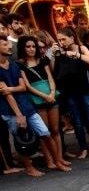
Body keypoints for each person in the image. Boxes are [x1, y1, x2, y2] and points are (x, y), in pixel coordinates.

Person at [0, 37, 59, 176]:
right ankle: (29, 168)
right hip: (10, 110)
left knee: (45, 133)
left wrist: (11, 89)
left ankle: (58, 161)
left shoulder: (13, 64)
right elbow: (6, 94)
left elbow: (21, 87)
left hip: (26, 106)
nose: (9, 46)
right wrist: (19, 115)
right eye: (5, 44)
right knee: (21, 139)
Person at [18, 35, 70, 170]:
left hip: (51, 94)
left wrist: (52, 93)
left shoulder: (42, 60)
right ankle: (50, 160)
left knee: (55, 129)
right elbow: (27, 85)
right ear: (23, 48)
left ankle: (59, 158)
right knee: (44, 132)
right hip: (37, 97)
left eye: (33, 46)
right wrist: (44, 96)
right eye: (28, 47)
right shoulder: (20, 64)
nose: (31, 49)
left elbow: (50, 77)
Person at [53, 28, 89, 159]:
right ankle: (83, 148)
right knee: (78, 122)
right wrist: (54, 55)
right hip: (70, 93)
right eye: (59, 40)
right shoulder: (59, 53)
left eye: (63, 39)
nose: (61, 42)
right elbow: (55, 72)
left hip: (84, 90)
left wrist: (75, 55)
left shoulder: (81, 49)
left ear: (72, 38)